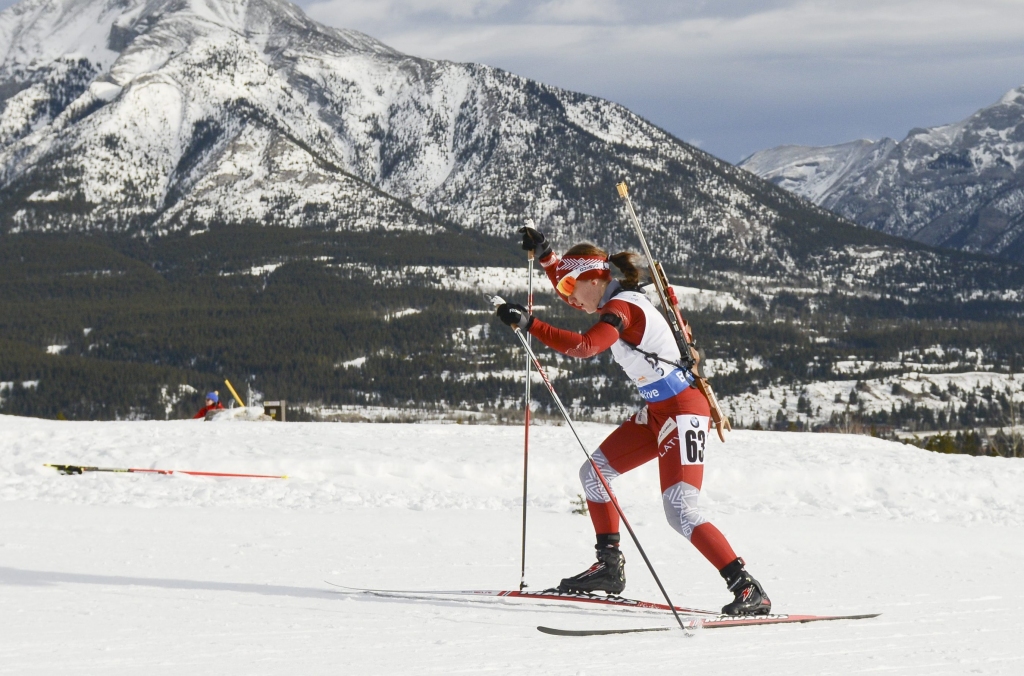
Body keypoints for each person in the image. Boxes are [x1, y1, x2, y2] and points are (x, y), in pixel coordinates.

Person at [494, 226, 771, 616]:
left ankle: (748, 588)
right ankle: (609, 568)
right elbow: (564, 280)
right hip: (658, 410)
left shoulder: (623, 308)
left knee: (680, 508)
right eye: (566, 287)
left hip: (685, 410)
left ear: (597, 277)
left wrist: (531, 326)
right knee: (594, 474)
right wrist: (545, 254)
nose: (569, 296)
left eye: (574, 285)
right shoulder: (600, 289)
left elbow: (585, 347)